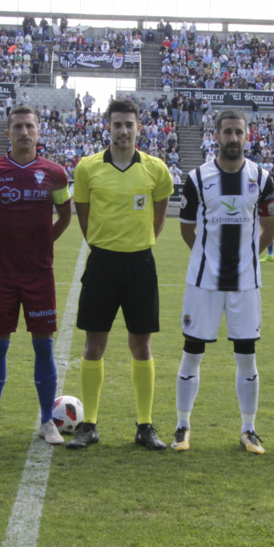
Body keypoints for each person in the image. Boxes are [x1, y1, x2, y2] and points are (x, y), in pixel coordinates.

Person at [66, 98, 174, 451]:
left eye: (129, 124)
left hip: (140, 265)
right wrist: (105, 243)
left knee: (141, 345)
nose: (123, 130)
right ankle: (90, 424)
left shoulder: (156, 169)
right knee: (94, 344)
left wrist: (138, 242)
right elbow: (83, 216)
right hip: (102, 264)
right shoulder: (88, 168)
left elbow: (159, 218)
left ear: (139, 127)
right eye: (117, 124)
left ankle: (145, 425)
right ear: (107, 127)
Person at [174, 109, 274, 454]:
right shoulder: (197, 178)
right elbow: (187, 228)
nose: (233, 138)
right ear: (215, 135)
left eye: (239, 132)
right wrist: (208, 257)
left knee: (246, 356)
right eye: (227, 132)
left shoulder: (261, 178)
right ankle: (182, 426)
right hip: (203, 282)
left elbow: (270, 227)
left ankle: (248, 430)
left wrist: (247, 258)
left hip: (245, 284)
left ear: (248, 136)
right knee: (192, 352)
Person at [0, 106, 72, 446]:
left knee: (44, 346)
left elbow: (65, 215)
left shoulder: (55, 173)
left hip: (39, 274)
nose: (24, 131)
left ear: (39, 132)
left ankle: (47, 422)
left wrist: (43, 244)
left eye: (30, 126)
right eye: (18, 126)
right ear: (8, 132)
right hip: (2, 274)